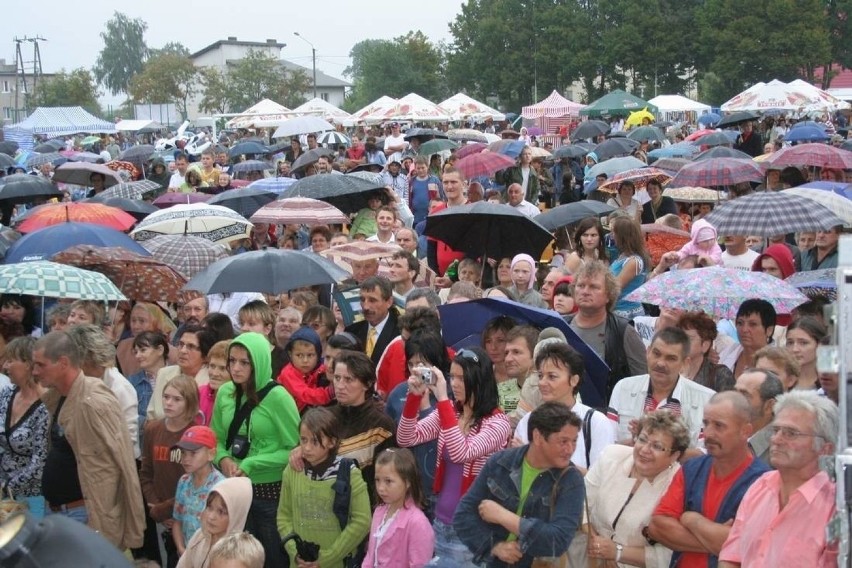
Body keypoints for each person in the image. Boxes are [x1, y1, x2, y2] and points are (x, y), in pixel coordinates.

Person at [398, 346, 511, 566]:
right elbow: (406, 437)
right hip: (440, 521)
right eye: (452, 377)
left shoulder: (498, 423)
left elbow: (461, 453)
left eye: (462, 378)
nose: (454, 384)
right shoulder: (450, 410)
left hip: (472, 528)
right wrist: (414, 397)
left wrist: (441, 398)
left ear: (479, 380)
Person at [35, 331, 145, 550]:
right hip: (57, 511)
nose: (35, 371)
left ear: (63, 363)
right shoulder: (59, 396)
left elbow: (122, 463)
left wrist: (121, 523)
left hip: (85, 516)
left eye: (41, 365)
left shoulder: (94, 401)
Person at [453, 402, 585, 566]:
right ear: (537, 437)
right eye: (563, 441)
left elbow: (557, 541)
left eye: (574, 441)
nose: (570, 449)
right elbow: (462, 516)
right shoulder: (500, 463)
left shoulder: (571, 480)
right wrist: (494, 547)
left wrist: (503, 516)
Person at [209, 332, 300, 568]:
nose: (236, 368)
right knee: (238, 559)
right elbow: (215, 439)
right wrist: (224, 458)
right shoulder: (225, 393)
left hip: (269, 493)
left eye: (244, 362)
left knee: (271, 558)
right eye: (232, 361)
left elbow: (295, 449)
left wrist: (251, 464)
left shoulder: (278, 397)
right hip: (234, 490)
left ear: (258, 362)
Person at [648, 392, 770, 567]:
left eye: (719, 426)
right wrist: (718, 541)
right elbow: (657, 526)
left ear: (746, 431)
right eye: (706, 423)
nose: (709, 433)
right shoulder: (692, 469)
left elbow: (751, 545)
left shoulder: (763, 482)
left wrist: (692, 520)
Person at [718, 391, 839, 567]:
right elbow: (731, 557)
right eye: (776, 430)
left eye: (791, 433)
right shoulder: (760, 486)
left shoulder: (835, 507)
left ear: (825, 449)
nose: (776, 439)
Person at [585, 411, 691, 567]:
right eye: (642, 440)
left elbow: (669, 555)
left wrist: (617, 552)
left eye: (657, 446)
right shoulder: (611, 455)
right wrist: (597, 544)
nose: (644, 450)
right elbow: (581, 503)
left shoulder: (681, 485)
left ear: (675, 455)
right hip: (588, 559)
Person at [276, 407, 371, 568]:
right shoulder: (292, 471)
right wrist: (295, 552)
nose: (306, 448)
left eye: (315, 441)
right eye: (303, 440)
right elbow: (284, 516)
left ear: (332, 442)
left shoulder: (349, 473)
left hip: (335, 562)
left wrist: (328, 557)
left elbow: (362, 520)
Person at [513, 342, 616, 470]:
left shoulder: (596, 422)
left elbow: (601, 479)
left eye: (552, 376)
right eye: (540, 376)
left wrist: (545, 460)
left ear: (574, 380)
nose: (542, 383)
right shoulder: (528, 421)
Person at [610, 327, 716, 446]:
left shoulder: (707, 399)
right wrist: (637, 440)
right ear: (648, 352)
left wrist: (664, 445)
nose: (660, 363)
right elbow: (607, 445)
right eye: (656, 354)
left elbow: (705, 454)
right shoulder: (624, 387)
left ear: (685, 363)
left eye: (671, 358)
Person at [140, 375, 200, 567]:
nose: (168, 403)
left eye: (176, 399)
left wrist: (170, 511)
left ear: (189, 402)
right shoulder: (153, 429)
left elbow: (197, 480)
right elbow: (146, 473)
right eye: (166, 397)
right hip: (160, 515)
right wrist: (157, 508)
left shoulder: (196, 432)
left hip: (188, 514)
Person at [567, 260, 648, 402]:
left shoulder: (623, 331)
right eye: (580, 286)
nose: (585, 291)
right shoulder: (561, 325)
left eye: (594, 287)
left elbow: (644, 380)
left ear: (608, 295)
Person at [0, 336, 48, 518]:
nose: (5, 366)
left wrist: (7, 486)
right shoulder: (6, 394)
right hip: (5, 497)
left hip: (35, 497)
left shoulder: (45, 405)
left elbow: (40, 462)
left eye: (11, 360)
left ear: (28, 364)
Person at [363, 448, 435, 568]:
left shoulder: (418, 523)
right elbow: (371, 555)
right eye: (377, 480)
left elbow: (420, 564)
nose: (380, 488)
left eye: (388, 481)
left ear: (407, 482)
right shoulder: (379, 511)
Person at [172, 426, 226, 559]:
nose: (186, 459)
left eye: (193, 453)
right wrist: (180, 548)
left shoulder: (221, 486)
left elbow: (225, 531)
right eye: (183, 453)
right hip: (186, 555)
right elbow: (177, 521)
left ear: (211, 454)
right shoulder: (184, 481)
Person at [176, 477, 253, 568]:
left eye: (221, 512)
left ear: (236, 514)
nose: (211, 517)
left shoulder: (239, 555)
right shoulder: (199, 536)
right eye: (209, 507)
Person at [345, 276, 401, 367]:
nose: (366, 306)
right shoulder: (351, 331)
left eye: (372, 300)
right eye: (362, 300)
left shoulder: (400, 333)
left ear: (389, 302)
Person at [734, 368, 785, 464]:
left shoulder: (781, 449)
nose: (735, 400)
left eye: (745, 395)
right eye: (734, 392)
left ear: (769, 405)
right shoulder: (726, 433)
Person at [276, 326, 332, 412]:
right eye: (299, 355)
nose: (305, 360)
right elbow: (304, 394)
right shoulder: (288, 373)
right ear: (290, 355)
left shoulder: (319, 367)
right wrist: (328, 393)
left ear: (318, 355)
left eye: (310, 355)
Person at [678, 312, 736, 392]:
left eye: (689, 338)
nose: (682, 341)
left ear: (705, 345)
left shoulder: (720, 375)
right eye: (679, 336)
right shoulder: (671, 369)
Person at [719, 299, 777, 379]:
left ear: (769, 330)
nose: (744, 330)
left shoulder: (778, 362)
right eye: (740, 323)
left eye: (752, 324)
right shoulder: (727, 352)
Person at [129, 331, 170, 435]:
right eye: (136, 352)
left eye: (143, 350)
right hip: (145, 441)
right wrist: (146, 423)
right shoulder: (132, 382)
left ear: (160, 350)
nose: (138, 356)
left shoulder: (177, 375)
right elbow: (126, 415)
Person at [609, 216, 650, 320]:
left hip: (625, 313)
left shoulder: (634, 261)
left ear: (622, 236)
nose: (612, 236)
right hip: (617, 310)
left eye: (614, 233)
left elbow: (616, 287)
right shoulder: (623, 256)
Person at [785, 316, 827, 390]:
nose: (795, 349)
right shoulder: (781, 382)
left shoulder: (830, 383)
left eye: (803, 343)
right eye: (790, 342)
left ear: (819, 345)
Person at [200, 340, 232, 426]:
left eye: (222, 368)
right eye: (212, 366)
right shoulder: (198, 393)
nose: (214, 373)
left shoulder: (239, 400)